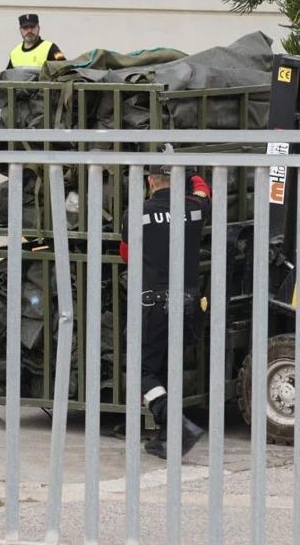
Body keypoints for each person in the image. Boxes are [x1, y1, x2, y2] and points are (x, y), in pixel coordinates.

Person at [119, 151, 212, 459]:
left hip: (155, 305)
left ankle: (175, 424)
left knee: (141, 371)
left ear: (149, 181)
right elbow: (203, 191)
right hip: (189, 307)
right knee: (169, 370)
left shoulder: (139, 212)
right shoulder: (195, 208)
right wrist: (193, 174)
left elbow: (126, 254)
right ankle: (168, 437)